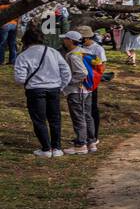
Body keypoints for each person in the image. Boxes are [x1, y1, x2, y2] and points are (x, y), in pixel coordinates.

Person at [12, 24, 70, 157]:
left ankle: (46, 148)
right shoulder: (53, 52)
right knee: (55, 118)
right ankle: (57, 148)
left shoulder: (23, 55)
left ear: (26, 41)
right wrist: (61, 86)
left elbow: (19, 78)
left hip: (35, 90)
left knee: (39, 119)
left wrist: (28, 81)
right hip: (54, 88)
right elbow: (66, 71)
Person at [59, 30, 98, 154]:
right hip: (87, 90)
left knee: (78, 117)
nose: (64, 41)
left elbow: (82, 73)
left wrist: (69, 82)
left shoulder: (73, 55)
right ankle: (91, 142)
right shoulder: (86, 52)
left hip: (77, 91)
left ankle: (81, 145)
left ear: (70, 41)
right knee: (87, 116)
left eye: (65, 39)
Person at [76, 25, 106, 149]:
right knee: (81, 108)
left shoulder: (97, 49)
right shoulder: (79, 48)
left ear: (87, 37)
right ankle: (83, 135)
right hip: (79, 81)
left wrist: (93, 76)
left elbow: (102, 65)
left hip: (92, 82)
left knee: (92, 108)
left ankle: (94, 136)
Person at [0, 0, 18, 65]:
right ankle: (13, 60)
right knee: (12, 43)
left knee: (2, 44)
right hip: (14, 24)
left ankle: (1, 61)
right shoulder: (14, 7)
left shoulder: (1, 7)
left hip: (5, 25)